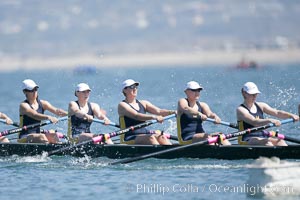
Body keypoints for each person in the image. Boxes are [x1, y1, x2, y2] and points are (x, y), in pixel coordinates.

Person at [236, 82, 299, 146]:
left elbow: (277, 112)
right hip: (247, 138)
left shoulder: (261, 105)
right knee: (267, 143)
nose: (254, 96)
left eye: (256, 94)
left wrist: (291, 115)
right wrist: (270, 120)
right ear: (244, 93)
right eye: (252, 94)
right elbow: (254, 122)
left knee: (281, 142)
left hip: (262, 136)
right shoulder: (241, 109)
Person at [118, 79, 175, 145]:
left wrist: (173, 112)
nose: (135, 89)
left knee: (162, 136)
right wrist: (154, 117)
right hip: (129, 137)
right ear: (124, 90)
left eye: (136, 87)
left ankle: (174, 154)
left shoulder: (143, 103)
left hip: (145, 134)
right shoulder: (122, 105)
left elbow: (159, 111)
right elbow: (136, 116)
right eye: (132, 87)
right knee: (151, 137)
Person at [177, 81, 231, 145]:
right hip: (186, 138)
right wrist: (199, 114)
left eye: (198, 90)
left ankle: (233, 152)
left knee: (221, 136)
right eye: (194, 90)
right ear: (186, 92)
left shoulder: (202, 105)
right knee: (207, 137)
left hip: (201, 136)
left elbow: (210, 114)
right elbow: (185, 108)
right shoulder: (182, 101)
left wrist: (215, 117)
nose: (197, 93)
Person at [19, 79, 68, 144]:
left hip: (38, 134)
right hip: (25, 136)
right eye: (31, 90)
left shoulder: (43, 103)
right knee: (41, 137)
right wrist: (48, 117)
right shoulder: (24, 105)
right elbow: (35, 115)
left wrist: (70, 114)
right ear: (25, 92)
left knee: (53, 135)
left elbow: (57, 111)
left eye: (35, 89)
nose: (34, 92)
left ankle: (59, 150)